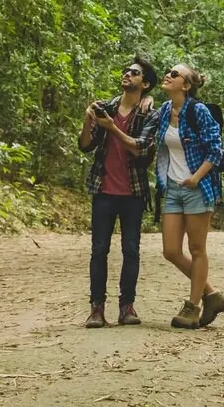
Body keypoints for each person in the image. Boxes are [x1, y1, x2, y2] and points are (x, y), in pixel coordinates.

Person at [147, 63, 224, 329]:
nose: (167, 76)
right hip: (172, 188)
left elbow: (215, 150)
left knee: (197, 249)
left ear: (185, 85)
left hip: (197, 188)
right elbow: (147, 134)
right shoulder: (163, 111)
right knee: (171, 250)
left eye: (174, 74)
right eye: (168, 72)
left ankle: (193, 307)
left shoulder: (199, 111)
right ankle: (212, 294)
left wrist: (196, 176)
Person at [79, 57, 158, 328]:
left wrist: (111, 127)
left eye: (134, 73)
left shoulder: (149, 113)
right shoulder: (106, 106)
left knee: (131, 250)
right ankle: (96, 308)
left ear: (144, 83)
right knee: (99, 250)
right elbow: (86, 146)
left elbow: (140, 147)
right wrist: (87, 119)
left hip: (133, 192)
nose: (127, 74)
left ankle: (127, 306)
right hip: (103, 189)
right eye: (126, 71)